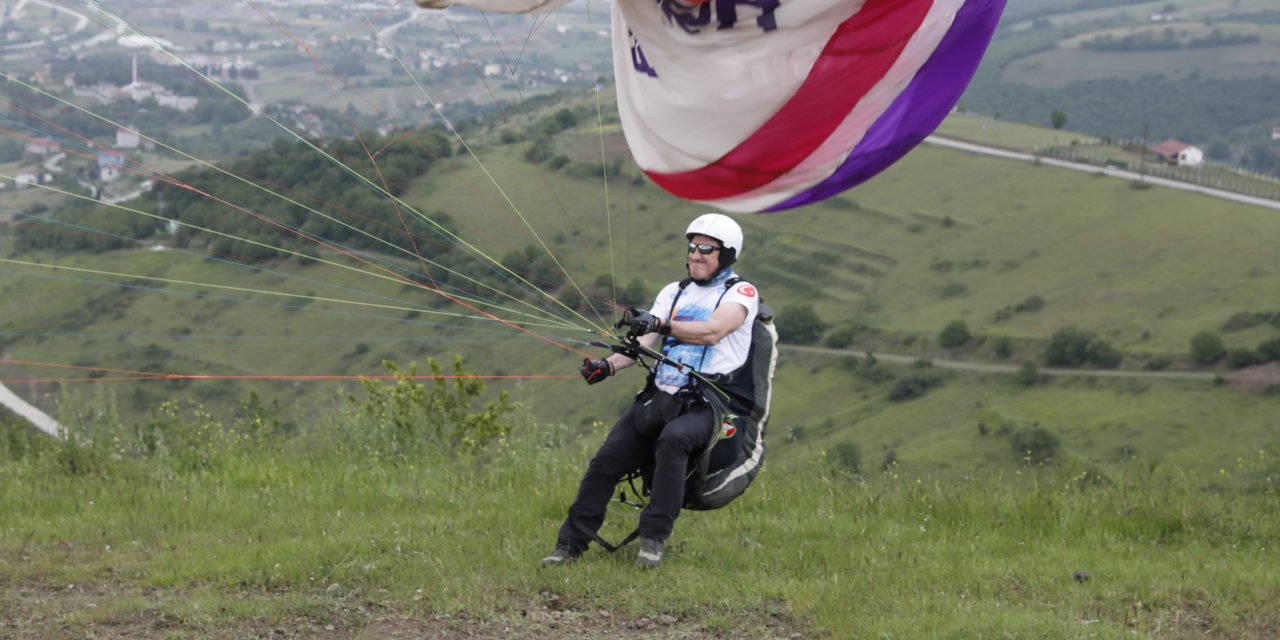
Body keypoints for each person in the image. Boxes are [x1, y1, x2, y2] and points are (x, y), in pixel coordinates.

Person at [541, 213, 760, 569]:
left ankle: (653, 540)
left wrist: (661, 322)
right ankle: (569, 546)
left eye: (707, 248)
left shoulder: (741, 293)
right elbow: (646, 339)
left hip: (707, 405)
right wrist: (608, 365)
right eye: (692, 247)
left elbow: (714, 331)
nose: (696, 255)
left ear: (727, 255)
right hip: (659, 397)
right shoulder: (674, 292)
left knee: (674, 440)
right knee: (606, 461)